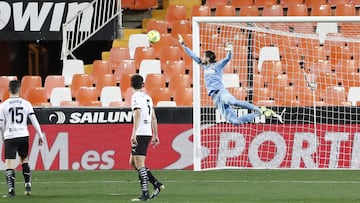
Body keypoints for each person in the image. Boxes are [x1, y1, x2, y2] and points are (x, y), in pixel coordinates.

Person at [178, 34, 284, 125]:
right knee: (235, 122)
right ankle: (258, 113)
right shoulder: (204, 66)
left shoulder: (217, 65)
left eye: (204, 56)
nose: (202, 58)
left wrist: (229, 49)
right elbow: (193, 56)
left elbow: (228, 58)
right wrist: (183, 44)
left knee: (233, 101)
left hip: (221, 92)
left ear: (209, 58)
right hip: (216, 99)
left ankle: (257, 108)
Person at [0, 80, 44, 197]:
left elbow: (1, 125)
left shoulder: (3, 106)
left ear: (8, 90)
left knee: (9, 164)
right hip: (24, 135)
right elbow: (34, 120)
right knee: (24, 160)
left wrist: (3, 137)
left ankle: (11, 191)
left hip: (10, 136)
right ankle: (28, 185)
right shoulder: (26, 104)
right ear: (19, 90)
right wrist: (40, 134)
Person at [129, 74, 164, 201]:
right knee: (133, 162)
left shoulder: (135, 97)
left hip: (140, 132)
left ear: (131, 85)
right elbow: (153, 117)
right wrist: (155, 135)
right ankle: (156, 184)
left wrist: (134, 133)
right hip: (147, 132)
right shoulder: (148, 98)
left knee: (140, 164)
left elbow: (137, 113)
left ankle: (145, 193)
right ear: (142, 84)